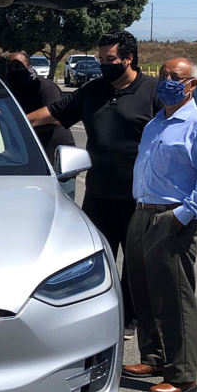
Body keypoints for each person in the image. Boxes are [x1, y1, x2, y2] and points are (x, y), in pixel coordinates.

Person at [26, 31, 163, 340]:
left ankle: (131, 320)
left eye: (110, 59)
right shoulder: (93, 91)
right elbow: (53, 114)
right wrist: (11, 121)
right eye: (100, 59)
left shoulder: (151, 92)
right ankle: (96, 315)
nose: (103, 64)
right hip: (99, 193)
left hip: (140, 196)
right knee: (95, 260)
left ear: (128, 58)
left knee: (136, 265)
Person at [122, 57, 197, 392]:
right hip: (142, 213)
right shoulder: (157, 122)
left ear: (192, 84)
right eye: (164, 75)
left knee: (174, 297)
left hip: (172, 217)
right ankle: (154, 357)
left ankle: (183, 375)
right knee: (144, 291)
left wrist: (184, 215)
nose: (168, 81)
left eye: (176, 77)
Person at [5, 52, 77, 199]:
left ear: (30, 67)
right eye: (9, 67)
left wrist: (17, 122)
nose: (14, 70)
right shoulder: (10, 91)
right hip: (28, 162)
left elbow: (55, 119)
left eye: (18, 66)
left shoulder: (45, 87)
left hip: (57, 163)